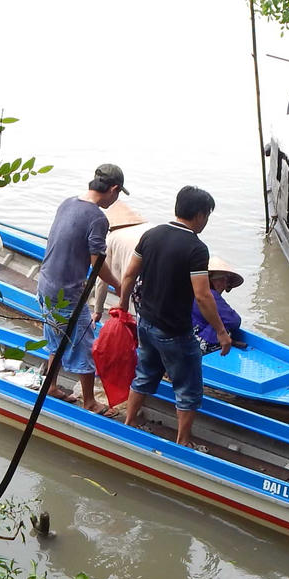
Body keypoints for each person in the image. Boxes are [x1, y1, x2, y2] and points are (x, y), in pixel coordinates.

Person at [119, 186, 232, 448]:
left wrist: (124, 304)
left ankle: (130, 421)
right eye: (207, 215)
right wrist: (221, 332)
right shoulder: (196, 249)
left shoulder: (152, 234)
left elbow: (129, 274)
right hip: (174, 331)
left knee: (145, 373)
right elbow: (203, 296)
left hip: (145, 322)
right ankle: (183, 442)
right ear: (201, 214)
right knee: (189, 388)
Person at [36, 164, 124, 412]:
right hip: (66, 291)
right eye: (117, 195)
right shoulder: (97, 217)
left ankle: (51, 384)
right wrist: (118, 284)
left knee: (56, 336)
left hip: (46, 283)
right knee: (85, 341)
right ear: (113, 189)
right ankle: (90, 402)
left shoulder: (67, 202)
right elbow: (97, 263)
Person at [91, 200, 152, 322]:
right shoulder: (151, 228)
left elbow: (102, 279)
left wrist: (98, 311)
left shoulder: (113, 237)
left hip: (135, 289)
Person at [191, 258, 245, 353]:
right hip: (197, 343)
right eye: (222, 280)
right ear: (209, 280)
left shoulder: (189, 290)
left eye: (226, 281)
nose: (225, 285)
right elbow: (234, 320)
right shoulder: (210, 295)